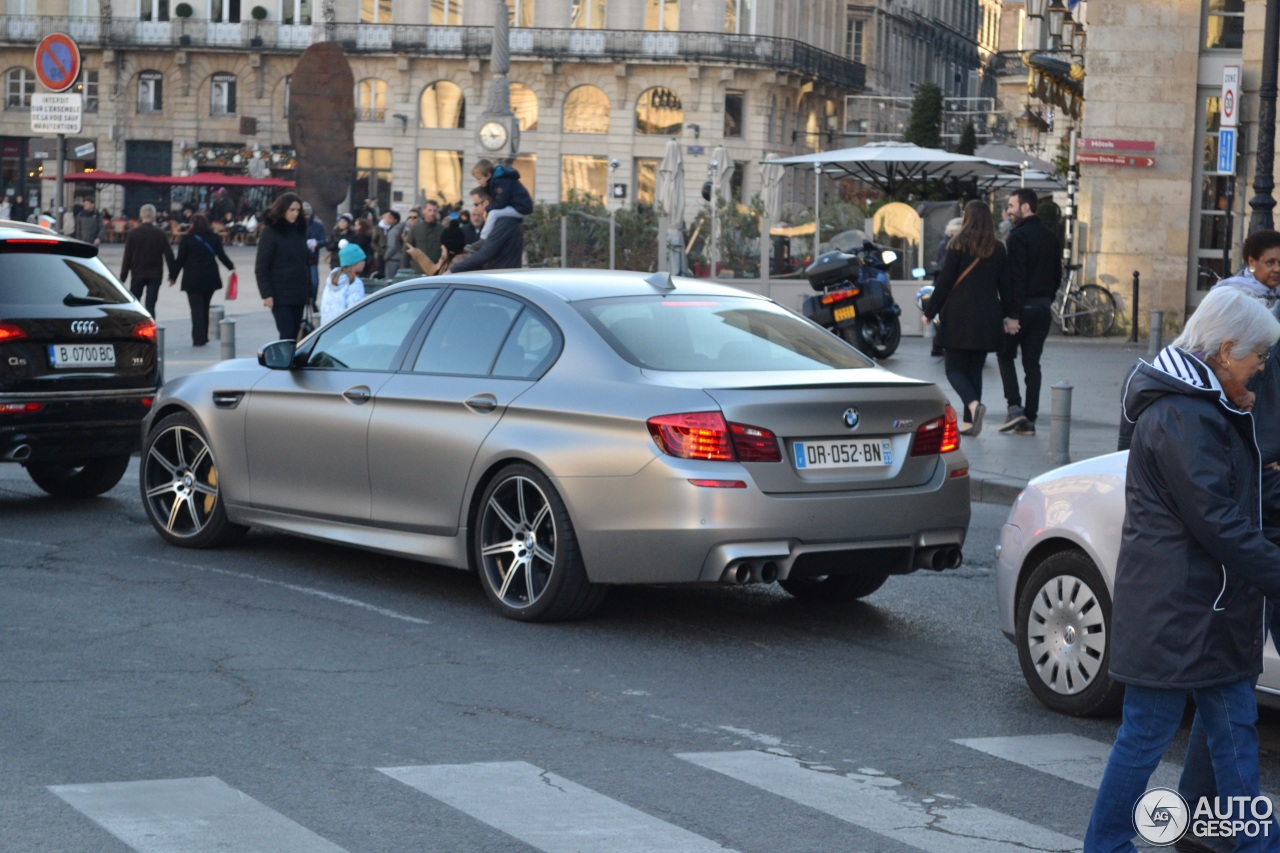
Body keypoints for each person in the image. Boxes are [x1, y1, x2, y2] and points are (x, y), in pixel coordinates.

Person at [1084, 286, 1280, 853]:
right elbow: (1217, 518)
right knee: (1146, 736)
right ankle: (1106, 845)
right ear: (1224, 350)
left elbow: (1234, 499)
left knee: (1235, 737)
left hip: (1209, 605)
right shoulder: (1183, 415)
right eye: (1256, 356)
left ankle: (1256, 843)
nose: (1262, 368)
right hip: (1177, 609)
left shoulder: (1204, 405)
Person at [921, 199, 1014, 436]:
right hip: (987, 316)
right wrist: (1010, 316)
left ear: (968, 218)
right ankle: (969, 423)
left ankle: (973, 406)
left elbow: (944, 283)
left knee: (953, 368)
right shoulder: (999, 248)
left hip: (959, 315)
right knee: (974, 369)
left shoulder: (957, 245)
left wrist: (929, 312)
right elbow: (1006, 286)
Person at [997, 188, 1062, 437]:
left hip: (1021, 308)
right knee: (1032, 364)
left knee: (1005, 355)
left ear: (1025, 207)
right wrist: (1046, 299)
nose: (1008, 211)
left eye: (1012, 206)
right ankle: (1030, 419)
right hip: (1043, 308)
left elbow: (1017, 279)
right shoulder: (1050, 236)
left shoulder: (1018, 237)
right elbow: (1057, 275)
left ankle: (1015, 408)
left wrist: (1012, 314)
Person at [169, 213, 234, 347]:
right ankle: (204, 336)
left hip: (192, 278)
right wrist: (231, 267)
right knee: (205, 307)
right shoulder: (214, 238)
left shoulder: (187, 239)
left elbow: (180, 260)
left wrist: (173, 276)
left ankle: (198, 338)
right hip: (210, 278)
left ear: (193, 225)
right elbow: (221, 255)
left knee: (196, 309)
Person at [255, 192, 311, 341]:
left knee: (295, 334)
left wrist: (309, 292)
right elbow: (261, 266)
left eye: (298, 210)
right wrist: (266, 294)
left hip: (298, 292)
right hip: (280, 294)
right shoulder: (270, 232)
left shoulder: (300, 231)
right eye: (291, 210)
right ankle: (284, 363)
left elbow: (305, 263)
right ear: (282, 209)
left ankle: (291, 362)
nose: (295, 214)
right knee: (287, 333)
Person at [119, 203, 176, 318]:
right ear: (154, 216)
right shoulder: (160, 233)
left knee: (135, 303)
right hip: (155, 274)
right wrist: (172, 275)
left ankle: (135, 329)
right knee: (150, 305)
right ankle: (150, 329)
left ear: (141, 215)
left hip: (137, 273)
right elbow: (169, 255)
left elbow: (127, 257)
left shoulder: (133, 234)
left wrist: (123, 277)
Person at [471, 158, 533, 242]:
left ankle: (483, 239)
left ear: (488, 174)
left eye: (479, 179)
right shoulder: (495, 181)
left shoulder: (500, 181)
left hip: (520, 208)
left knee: (494, 213)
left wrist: (487, 209)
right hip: (516, 206)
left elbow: (501, 203)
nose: (478, 182)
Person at [318, 242, 367, 327]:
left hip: (328, 329)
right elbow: (357, 315)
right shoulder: (355, 283)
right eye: (361, 260)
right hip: (347, 332)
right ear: (354, 263)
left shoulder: (332, 278)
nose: (364, 262)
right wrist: (365, 339)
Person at [403, 200, 443, 273]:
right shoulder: (416, 228)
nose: (432, 213)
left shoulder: (442, 229)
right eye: (429, 210)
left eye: (434, 211)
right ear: (424, 210)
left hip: (436, 270)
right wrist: (403, 269)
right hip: (418, 270)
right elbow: (406, 249)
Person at [303, 201, 327, 311]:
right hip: (300, 259)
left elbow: (324, 240)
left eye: (308, 213)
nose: (306, 216)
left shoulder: (318, 226)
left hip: (312, 259)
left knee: (314, 282)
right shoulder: (297, 226)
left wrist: (317, 243)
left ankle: (313, 300)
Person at [378, 209, 404, 278]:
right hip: (399, 259)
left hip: (392, 260)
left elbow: (391, 247)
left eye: (389, 218)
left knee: (390, 280)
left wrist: (385, 257)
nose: (386, 219)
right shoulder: (400, 229)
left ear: (395, 220)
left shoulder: (393, 232)